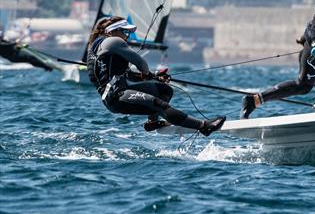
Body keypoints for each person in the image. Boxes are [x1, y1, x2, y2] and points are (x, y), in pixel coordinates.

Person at [85, 16, 225, 135]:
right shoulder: (113, 41)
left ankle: (153, 122)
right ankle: (203, 126)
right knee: (160, 105)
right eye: (124, 32)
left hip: (114, 96)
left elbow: (129, 75)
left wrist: (154, 75)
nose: (126, 37)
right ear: (112, 31)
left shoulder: (98, 46)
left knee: (164, 90)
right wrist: (147, 73)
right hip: (116, 97)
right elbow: (142, 64)